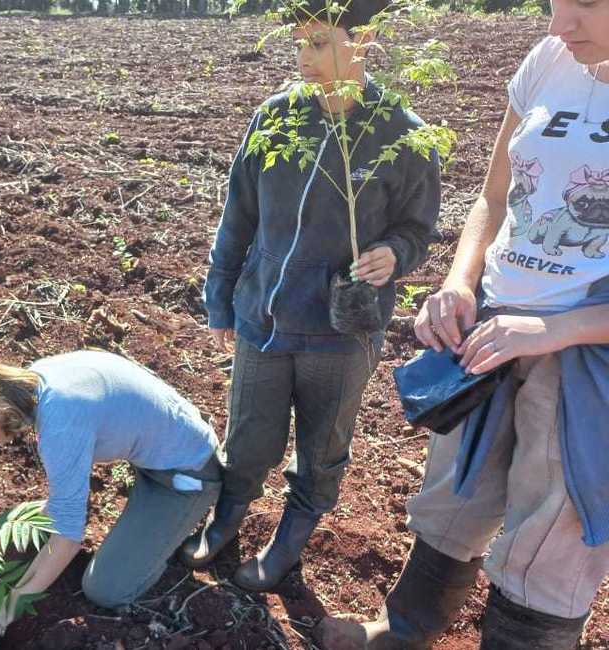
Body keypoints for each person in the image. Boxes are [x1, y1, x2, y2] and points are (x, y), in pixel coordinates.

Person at [316, 1, 609, 647]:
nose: (562, 24)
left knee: (552, 531)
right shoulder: (547, 60)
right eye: (555, 2)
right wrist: (458, 281)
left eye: (586, 4)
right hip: (496, 325)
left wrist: (560, 330)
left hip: (589, 355)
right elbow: (494, 195)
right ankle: (405, 630)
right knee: (455, 488)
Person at [178, 0, 442, 594]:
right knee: (248, 434)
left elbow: (419, 226)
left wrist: (397, 253)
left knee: (322, 447)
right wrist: (221, 298)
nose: (305, 58)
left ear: (363, 42)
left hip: (342, 327)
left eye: (320, 43)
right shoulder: (275, 118)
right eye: (300, 44)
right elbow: (238, 215)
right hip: (265, 315)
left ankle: (291, 538)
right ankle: (227, 517)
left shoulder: (403, 135)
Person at [0, 350, 222, 646]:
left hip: (186, 474)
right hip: (163, 444)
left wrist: (2, 616)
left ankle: (168, 534)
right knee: (13, 526)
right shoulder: (37, 379)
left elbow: (68, 538)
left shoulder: (60, 422)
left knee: (106, 588)